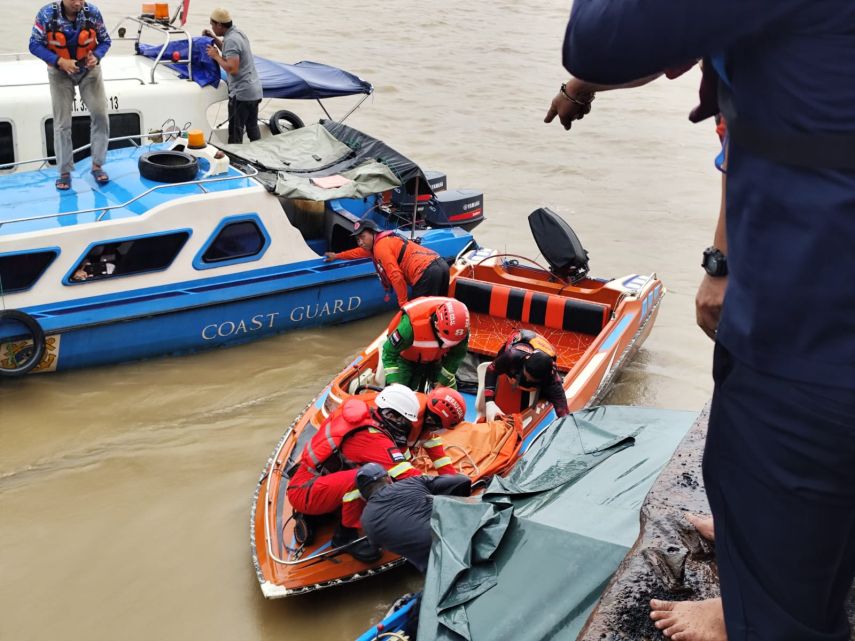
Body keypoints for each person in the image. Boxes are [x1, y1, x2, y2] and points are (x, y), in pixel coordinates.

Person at [561, 3, 855, 641]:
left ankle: (763, 586)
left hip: (818, 312)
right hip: (811, 280)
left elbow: (601, 40)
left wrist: (581, 78)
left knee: (782, 597)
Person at [286, 384, 421, 562]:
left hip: (309, 481)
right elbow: (407, 476)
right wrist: (441, 489)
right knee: (368, 477)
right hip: (307, 492)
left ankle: (322, 513)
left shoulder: (360, 416)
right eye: (402, 421)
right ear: (390, 415)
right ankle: (345, 537)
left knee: (370, 475)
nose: (404, 426)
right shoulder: (371, 437)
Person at [29, 0, 112, 191]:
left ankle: (97, 165)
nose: (78, 2)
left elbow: (106, 40)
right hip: (59, 73)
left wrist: (97, 56)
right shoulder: (45, 15)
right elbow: (34, 44)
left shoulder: (93, 13)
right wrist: (59, 61)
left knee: (100, 115)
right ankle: (64, 172)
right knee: (62, 123)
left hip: (89, 72)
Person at [358, 462, 472, 573]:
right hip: (466, 543)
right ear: (388, 479)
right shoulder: (412, 482)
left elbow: (377, 545)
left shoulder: (366, 521)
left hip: (438, 573)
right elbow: (462, 481)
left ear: (362, 496)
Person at [324, 219, 450, 306]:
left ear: (373, 233)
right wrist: (336, 256)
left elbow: (396, 276)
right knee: (438, 310)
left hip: (426, 273)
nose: (360, 242)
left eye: (362, 237)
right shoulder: (378, 244)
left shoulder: (380, 248)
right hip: (442, 265)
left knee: (419, 316)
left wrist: (404, 305)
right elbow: (356, 253)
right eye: (357, 239)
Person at [382, 296, 470, 391]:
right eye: (447, 340)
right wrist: (395, 385)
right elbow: (388, 353)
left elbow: (456, 356)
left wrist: (440, 386)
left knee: (451, 395)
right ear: (436, 324)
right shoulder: (409, 327)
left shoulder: (461, 329)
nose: (449, 344)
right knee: (399, 395)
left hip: (436, 359)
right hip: (405, 359)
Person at [203, 8, 262, 144]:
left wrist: (216, 56)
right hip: (254, 91)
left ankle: (236, 162)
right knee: (252, 128)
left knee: (235, 132)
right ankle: (260, 152)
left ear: (219, 25)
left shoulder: (232, 40)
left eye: (212, 24)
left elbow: (232, 68)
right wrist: (214, 38)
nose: (211, 26)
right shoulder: (238, 33)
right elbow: (230, 51)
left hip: (241, 94)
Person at [483, 329, 568, 421]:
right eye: (526, 375)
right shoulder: (512, 354)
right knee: (505, 369)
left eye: (531, 379)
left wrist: (564, 421)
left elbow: (562, 409)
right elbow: (491, 369)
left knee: (549, 393)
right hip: (520, 344)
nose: (527, 379)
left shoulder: (552, 376)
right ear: (526, 360)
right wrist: (489, 402)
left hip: (541, 352)